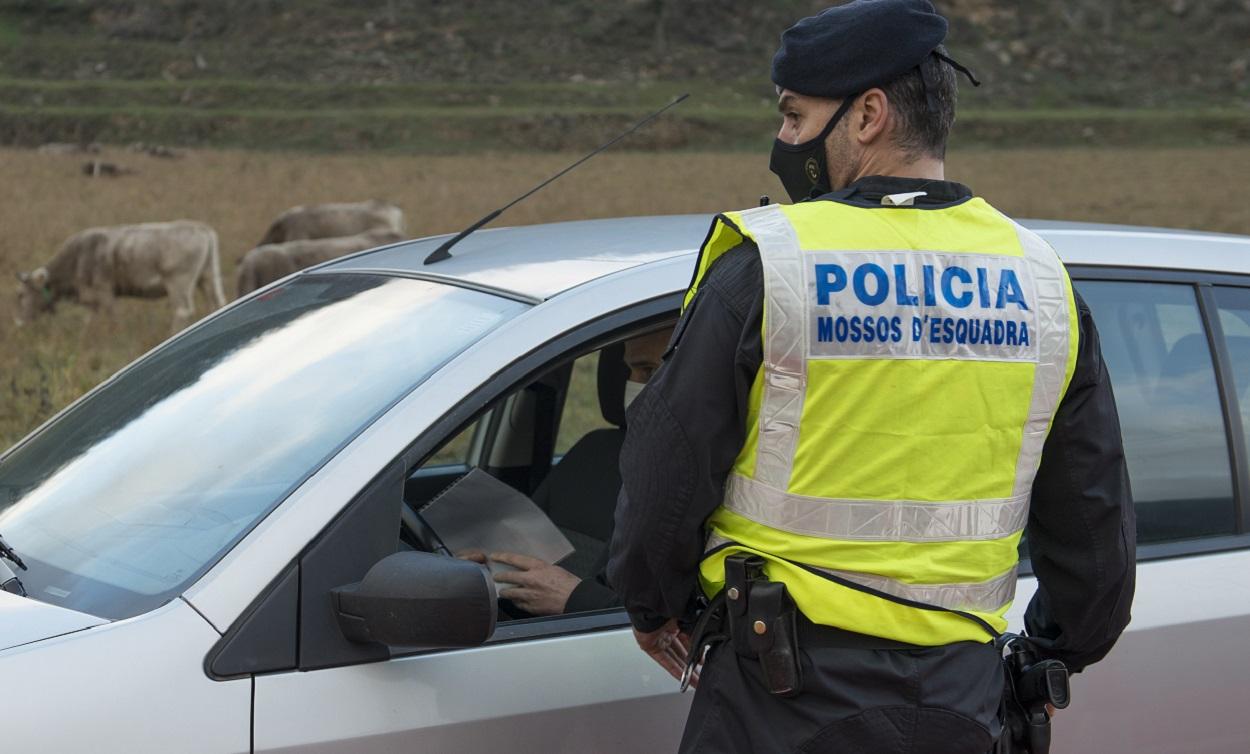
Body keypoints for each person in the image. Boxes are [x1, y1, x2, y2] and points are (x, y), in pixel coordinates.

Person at [606, 2, 1136, 752]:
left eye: (794, 117)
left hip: (780, 699)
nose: (782, 143)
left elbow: (668, 465)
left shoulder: (771, 267)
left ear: (868, 115)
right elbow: (1093, 523)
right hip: (963, 701)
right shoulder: (1042, 285)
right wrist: (1051, 653)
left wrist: (651, 606)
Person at [462, 327, 673, 617]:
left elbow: (664, 627)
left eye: (648, 372)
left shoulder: (704, 483)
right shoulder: (592, 453)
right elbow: (525, 554)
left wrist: (577, 599)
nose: (631, 384)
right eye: (629, 371)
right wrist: (485, 569)